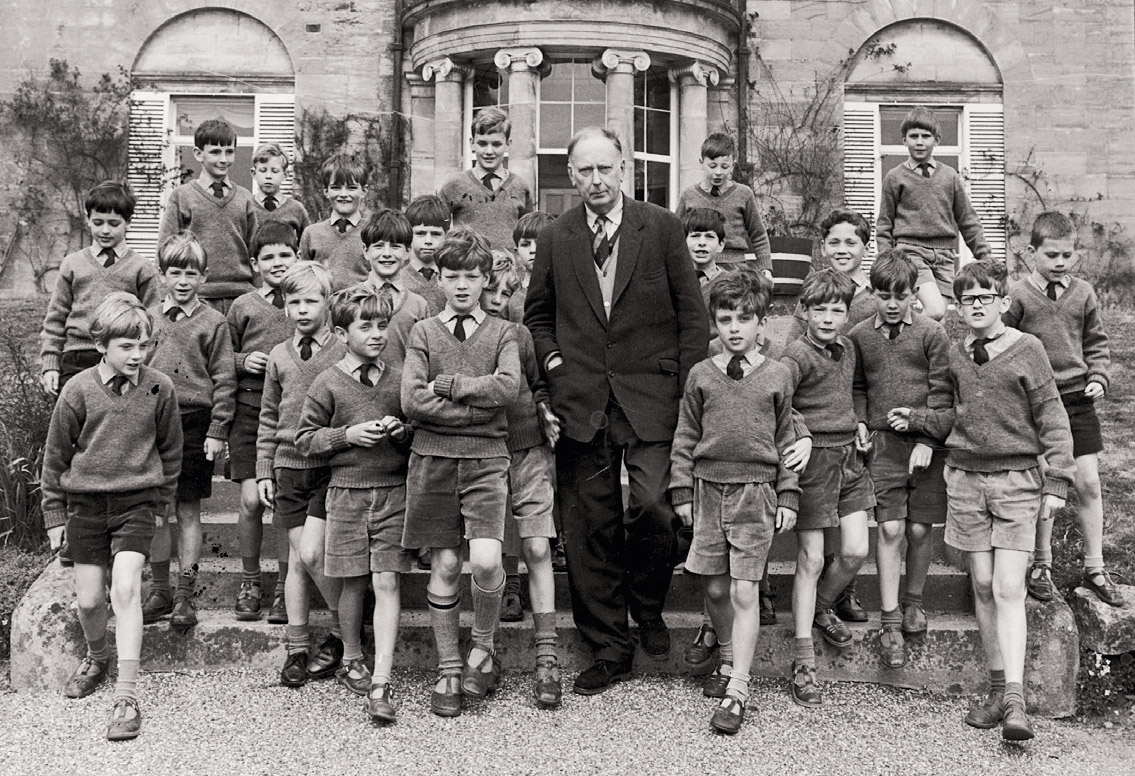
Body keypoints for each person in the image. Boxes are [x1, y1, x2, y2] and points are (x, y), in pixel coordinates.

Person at [525, 126, 708, 695]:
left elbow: (692, 318)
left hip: (653, 398)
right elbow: (537, 317)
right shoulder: (557, 237)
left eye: (605, 169)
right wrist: (555, 369)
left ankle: (647, 606)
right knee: (588, 525)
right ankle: (609, 646)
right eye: (585, 171)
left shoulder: (661, 227)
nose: (596, 181)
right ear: (571, 174)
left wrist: (688, 396)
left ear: (623, 168)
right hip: (582, 401)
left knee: (655, 507)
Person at [941, 261, 1074, 741]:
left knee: (1007, 586)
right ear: (957, 306)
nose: (976, 304)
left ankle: (1016, 702)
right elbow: (945, 412)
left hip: (1017, 481)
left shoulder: (1028, 349)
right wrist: (912, 422)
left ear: (1002, 301)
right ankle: (998, 689)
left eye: (986, 296)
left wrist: (1057, 479)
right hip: (966, 481)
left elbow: (1053, 416)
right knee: (980, 583)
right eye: (967, 297)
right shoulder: (955, 354)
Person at [42, 293, 182, 741]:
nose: (138, 356)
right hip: (85, 505)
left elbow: (171, 450)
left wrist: (162, 502)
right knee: (88, 601)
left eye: (144, 346)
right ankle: (98, 656)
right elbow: (55, 456)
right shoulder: (78, 389)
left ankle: (126, 695)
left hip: (137, 503)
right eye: (127, 347)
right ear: (101, 344)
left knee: (125, 589)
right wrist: (54, 515)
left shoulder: (160, 387)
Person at [669, 270, 799, 734]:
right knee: (716, 588)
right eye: (726, 319)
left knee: (745, 590)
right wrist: (681, 489)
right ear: (715, 324)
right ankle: (726, 655)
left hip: (756, 493)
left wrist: (788, 493)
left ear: (762, 322)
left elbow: (787, 438)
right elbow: (686, 435)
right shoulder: (701, 375)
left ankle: (738, 688)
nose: (735, 328)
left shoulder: (778, 374)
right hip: (707, 490)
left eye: (745, 318)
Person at [400, 227, 521, 718]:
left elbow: (509, 388)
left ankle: (482, 649)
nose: (463, 285)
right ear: (440, 279)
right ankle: (450, 666)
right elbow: (411, 400)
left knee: (489, 561)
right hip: (431, 459)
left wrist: (453, 389)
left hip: (487, 461)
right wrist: (477, 406)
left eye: (472, 276)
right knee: (447, 565)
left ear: (485, 279)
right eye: (453, 276)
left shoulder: (503, 332)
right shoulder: (424, 331)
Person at [295, 286, 414, 722]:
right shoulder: (326, 381)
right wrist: (347, 435)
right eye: (365, 327)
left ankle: (381, 680)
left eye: (382, 325)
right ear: (341, 333)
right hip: (344, 494)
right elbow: (304, 440)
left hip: (393, 492)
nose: (377, 334)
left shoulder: (401, 377)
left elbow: (418, 431)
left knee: (387, 582)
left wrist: (401, 433)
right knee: (351, 582)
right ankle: (351, 656)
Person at [1003, 212, 1123, 606]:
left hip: (1077, 399)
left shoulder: (1084, 293)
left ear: (1075, 255)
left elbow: (1096, 342)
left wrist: (1099, 375)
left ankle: (1095, 566)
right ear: (1031, 252)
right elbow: (1005, 340)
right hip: (1036, 402)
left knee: (1087, 482)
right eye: (1051, 254)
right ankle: (1042, 563)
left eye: (1066, 255)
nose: (1059, 262)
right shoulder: (1019, 295)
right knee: (1045, 483)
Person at [848, 250, 952, 669]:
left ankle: (913, 602)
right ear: (872, 293)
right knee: (890, 527)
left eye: (902, 295)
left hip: (926, 443)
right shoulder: (859, 335)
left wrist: (928, 434)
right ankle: (890, 620)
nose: (892, 304)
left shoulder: (931, 335)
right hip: (884, 445)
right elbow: (856, 386)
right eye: (884, 295)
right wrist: (858, 420)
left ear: (915, 296)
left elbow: (943, 393)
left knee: (920, 529)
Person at [781, 268, 875, 709]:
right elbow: (780, 404)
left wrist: (858, 419)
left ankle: (820, 605)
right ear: (804, 310)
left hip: (849, 460)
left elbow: (854, 390)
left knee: (856, 550)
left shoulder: (850, 347)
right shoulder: (795, 355)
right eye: (820, 309)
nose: (829, 317)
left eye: (837, 310)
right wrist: (800, 433)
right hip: (814, 461)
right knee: (812, 557)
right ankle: (802, 659)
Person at [256, 261, 348, 688]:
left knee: (313, 555)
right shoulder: (278, 355)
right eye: (295, 302)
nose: (303, 309)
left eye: (312, 301)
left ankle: (344, 630)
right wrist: (264, 469)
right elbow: (267, 418)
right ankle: (297, 647)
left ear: (328, 303)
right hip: (289, 466)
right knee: (295, 559)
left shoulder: (343, 351)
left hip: (330, 467)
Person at [141, 232, 237, 628]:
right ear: (162, 274)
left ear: (204, 276)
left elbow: (225, 378)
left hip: (195, 422)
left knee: (188, 509)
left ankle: (185, 594)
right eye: (175, 272)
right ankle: (160, 590)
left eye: (191, 273)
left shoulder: (213, 322)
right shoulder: (146, 317)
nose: (183, 281)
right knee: (156, 510)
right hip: (151, 420)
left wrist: (218, 427)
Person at [480, 259, 564, 708]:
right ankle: (485, 650)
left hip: (528, 449)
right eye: (490, 290)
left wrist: (545, 410)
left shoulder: (521, 334)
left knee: (535, 547)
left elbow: (536, 384)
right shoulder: (466, 337)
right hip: (483, 454)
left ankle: (547, 657)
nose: (497, 301)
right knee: (488, 555)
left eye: (506, 293)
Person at [227, 221, 300, 622]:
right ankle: (251, 580)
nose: (277, 263)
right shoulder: (243, 306)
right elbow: (222, 358)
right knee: (252, 499)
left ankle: (287, 589)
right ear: (255, 263)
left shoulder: (305, 302)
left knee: (285, 501)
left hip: (291, 411)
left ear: (298, 258)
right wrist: (242, 362)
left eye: (284, 255)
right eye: (268, 257)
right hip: (250, 408)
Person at [41, 181, 161, 397]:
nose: (105, 230)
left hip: (123, 357)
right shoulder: (73, 264)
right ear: (88, 220)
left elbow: (154, 320)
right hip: (76, 358)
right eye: (98, 222)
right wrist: (50, 364)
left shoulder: (141, 268)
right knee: (77, 423)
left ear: (128, 222)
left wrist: (145, 358)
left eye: (114, 223)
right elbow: (56, 318)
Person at [875, 105, 990, 313]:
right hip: (910, 252)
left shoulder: (949, 176)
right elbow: (884, 223)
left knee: (938, 318)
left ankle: (905, 340)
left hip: (945, 256)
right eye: (913, 136)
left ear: (937, 139)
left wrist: (985, 256)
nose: (919, 142)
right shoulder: (895, 177)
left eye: (926, 136)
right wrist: (887, 261)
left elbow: (967, 219)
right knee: (935, 310)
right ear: (904, 140)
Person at [157, 119, 257, 313]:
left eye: (229, 152)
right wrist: (165, 299)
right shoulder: (183, 196)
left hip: (241, 297)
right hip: (196, 296)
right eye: (215, 152)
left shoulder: (245, 198)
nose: (223, 159)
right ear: (198, 154)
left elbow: (255, 251)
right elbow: (164, 251)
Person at [675, 133, 772, 278]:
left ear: (733, 165)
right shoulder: (689, 195)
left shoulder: (744, 194)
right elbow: (677, 235)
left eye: (724, 166)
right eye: (712, 166)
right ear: (701, 162)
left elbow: (758, 234)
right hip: (697, 268)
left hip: (735, 269)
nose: (718, 172)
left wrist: (766, 268)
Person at [439, 107, 533, 250]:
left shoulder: (520, 186)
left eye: (496, 144)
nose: (489, 151)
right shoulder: (453, 185)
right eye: (482, 143)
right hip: (467, 269)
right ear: (472, 143)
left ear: (508, 144)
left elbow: (529, 236)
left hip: (509, 270)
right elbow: (437, 232)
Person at [359, 209, 432, 369]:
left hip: (402, 390)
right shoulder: (349, 298)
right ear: (365, 251)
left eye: (395, 246)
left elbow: (424, 359)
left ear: (407, 252)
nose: (387, 254)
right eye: (378, 246)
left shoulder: (419, 305)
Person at [299, 153, 369, 290]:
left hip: (363, 307)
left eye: (351, 188)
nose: (343, 194)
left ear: (364, 191)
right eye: (336, 187)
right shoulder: (312, 234)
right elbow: (303, 280)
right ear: (326, 191)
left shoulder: (373, 232)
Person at [399, 194, 450, 316]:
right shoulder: (398, 280)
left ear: (446, 235)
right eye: (421, 233)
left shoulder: (451, 279)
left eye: (436, 234)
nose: (428, 240)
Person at [250, 142, 311, 240]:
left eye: (275, 171)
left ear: (285, 174)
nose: (268, 176)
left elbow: (306, 245)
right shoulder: (246, 208)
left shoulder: (297, 209)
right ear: (254, 173)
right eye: (263, 170)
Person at [507, 210, 555, 324]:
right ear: (517, 253)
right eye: (525, 244)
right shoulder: (510, 291)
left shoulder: (560, 290)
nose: (533, 250)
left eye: (540, 243)